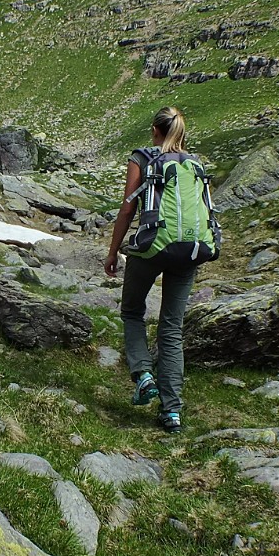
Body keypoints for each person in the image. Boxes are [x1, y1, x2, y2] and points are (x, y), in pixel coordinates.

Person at [103, 106, 199, 434]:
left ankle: (143, 375)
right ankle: (172, 412)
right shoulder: (195, 164)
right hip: (189, 252)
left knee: (132, 312)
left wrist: (113, 251)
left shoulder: (142, 158)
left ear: (155, 131)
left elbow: (128, 207)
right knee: (171, 330)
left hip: (151, 247)